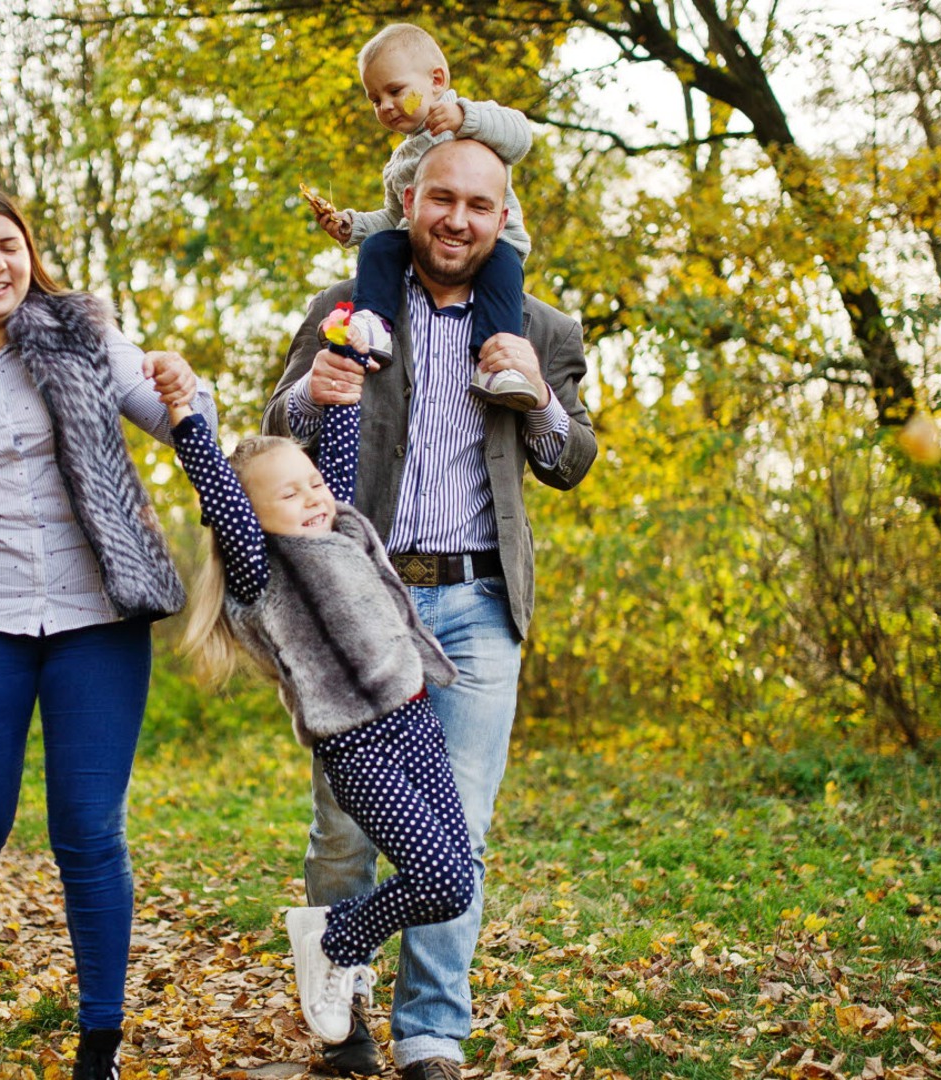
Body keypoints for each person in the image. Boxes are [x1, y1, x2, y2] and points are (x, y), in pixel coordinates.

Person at [262, 138, 597, 1080]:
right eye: (440, 199)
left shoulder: (542, 325)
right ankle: (345, 1013)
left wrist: (533, 393)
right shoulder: (344, 309)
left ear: (503, 216)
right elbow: (275, 436)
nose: (457, 220)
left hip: (481, 601)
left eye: (478, 206)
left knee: (463, 832)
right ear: (408, 202)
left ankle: (432, 1034)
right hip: (362, 603)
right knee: (345, 827)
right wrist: (309, 394)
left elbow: (569, 461)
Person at [0, 185, 212, 1080]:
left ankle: (99, 1039)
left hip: (96, 616)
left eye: (8, 245)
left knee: (88, 831)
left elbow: (173, 417)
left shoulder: (81, 332)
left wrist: (186, 392)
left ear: (29, 253)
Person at [160, 307, 476, 1047]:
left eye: (312, 485)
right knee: (440, 880)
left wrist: (352, 355)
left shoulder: (336, 525)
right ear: (250, 519)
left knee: (458, 876)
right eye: (290, 494)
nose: (313, 498)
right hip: (357, 745)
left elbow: (336, 436)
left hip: (414, 715)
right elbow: (219, 485)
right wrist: (183, 414)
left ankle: (336, 938)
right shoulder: (262, 568)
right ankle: (336, 942)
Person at [305, 22, 538, 412]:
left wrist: (465, 119)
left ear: (436, 80)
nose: (386, 106)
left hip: (493, 246)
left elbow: (520, 137)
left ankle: (497, 364)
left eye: (395, 91)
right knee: (380, 246)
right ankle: (374, 323)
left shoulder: (473, 119)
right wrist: (354, 226)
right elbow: (398, 218)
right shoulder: (401, 162)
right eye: (374, 99)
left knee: (503, 275)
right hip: (424, 248)